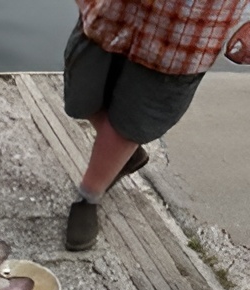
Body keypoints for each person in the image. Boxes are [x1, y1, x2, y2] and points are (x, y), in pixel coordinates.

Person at [63, 0, 250, 251]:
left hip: (188, 29)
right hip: (110, 11)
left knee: (137, 119)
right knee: (80, 97)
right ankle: (123, 157)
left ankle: (89, 196)